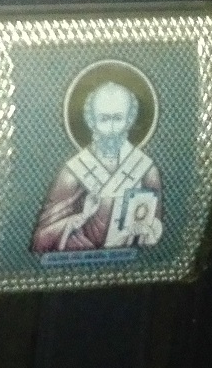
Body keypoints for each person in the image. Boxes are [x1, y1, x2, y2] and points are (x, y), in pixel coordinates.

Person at [31, 78, 163, 255]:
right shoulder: (72, 174)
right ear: (90, 120)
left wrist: (148, 230)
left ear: (130, 119)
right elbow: (41, 239)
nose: (111, 129)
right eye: (104, 119)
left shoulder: (146, 171)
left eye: (118, 118)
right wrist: (76, 225)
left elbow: (158, 234)